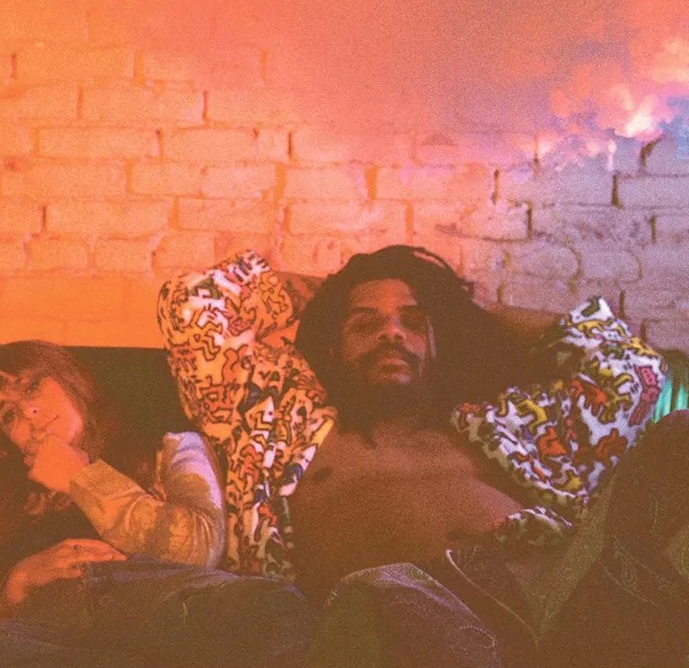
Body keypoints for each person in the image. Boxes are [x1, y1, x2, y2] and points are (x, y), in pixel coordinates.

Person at [158, 245, 686, 663]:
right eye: (364, 323)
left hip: (548, 607)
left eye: (413, 321)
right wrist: (326, 293)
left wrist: (464, 310)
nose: (391, 332)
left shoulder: (513, 426)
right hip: (382, 623)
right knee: (391, 598)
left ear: (438, 342)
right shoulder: (276, 420)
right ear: (334, 345)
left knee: (677, 438)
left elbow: (633, 371)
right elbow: (192, 305)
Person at [0, 340, 317, 666]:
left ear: (70, 380)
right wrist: (17, 584)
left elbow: (199, 547)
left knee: (273, 607)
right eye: (8, 415)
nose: (27, 413)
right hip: (47, 631)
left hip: (154, 603)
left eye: (32, 386)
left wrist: (81, 477)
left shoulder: (171, 448)